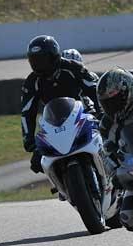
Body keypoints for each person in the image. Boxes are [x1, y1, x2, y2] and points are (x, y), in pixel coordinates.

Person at [21, 35, 101, 173]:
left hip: (83, 116)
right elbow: (27, 112)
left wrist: (102, 113)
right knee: (38, 161)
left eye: (42, 60)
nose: (38, 65)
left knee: (105, 139)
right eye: (35, 61)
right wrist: (29, 141)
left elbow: (94, 89)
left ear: (54, 56)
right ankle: (59, 180)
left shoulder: (73, 67)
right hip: (54, 125)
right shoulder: (32, 82)